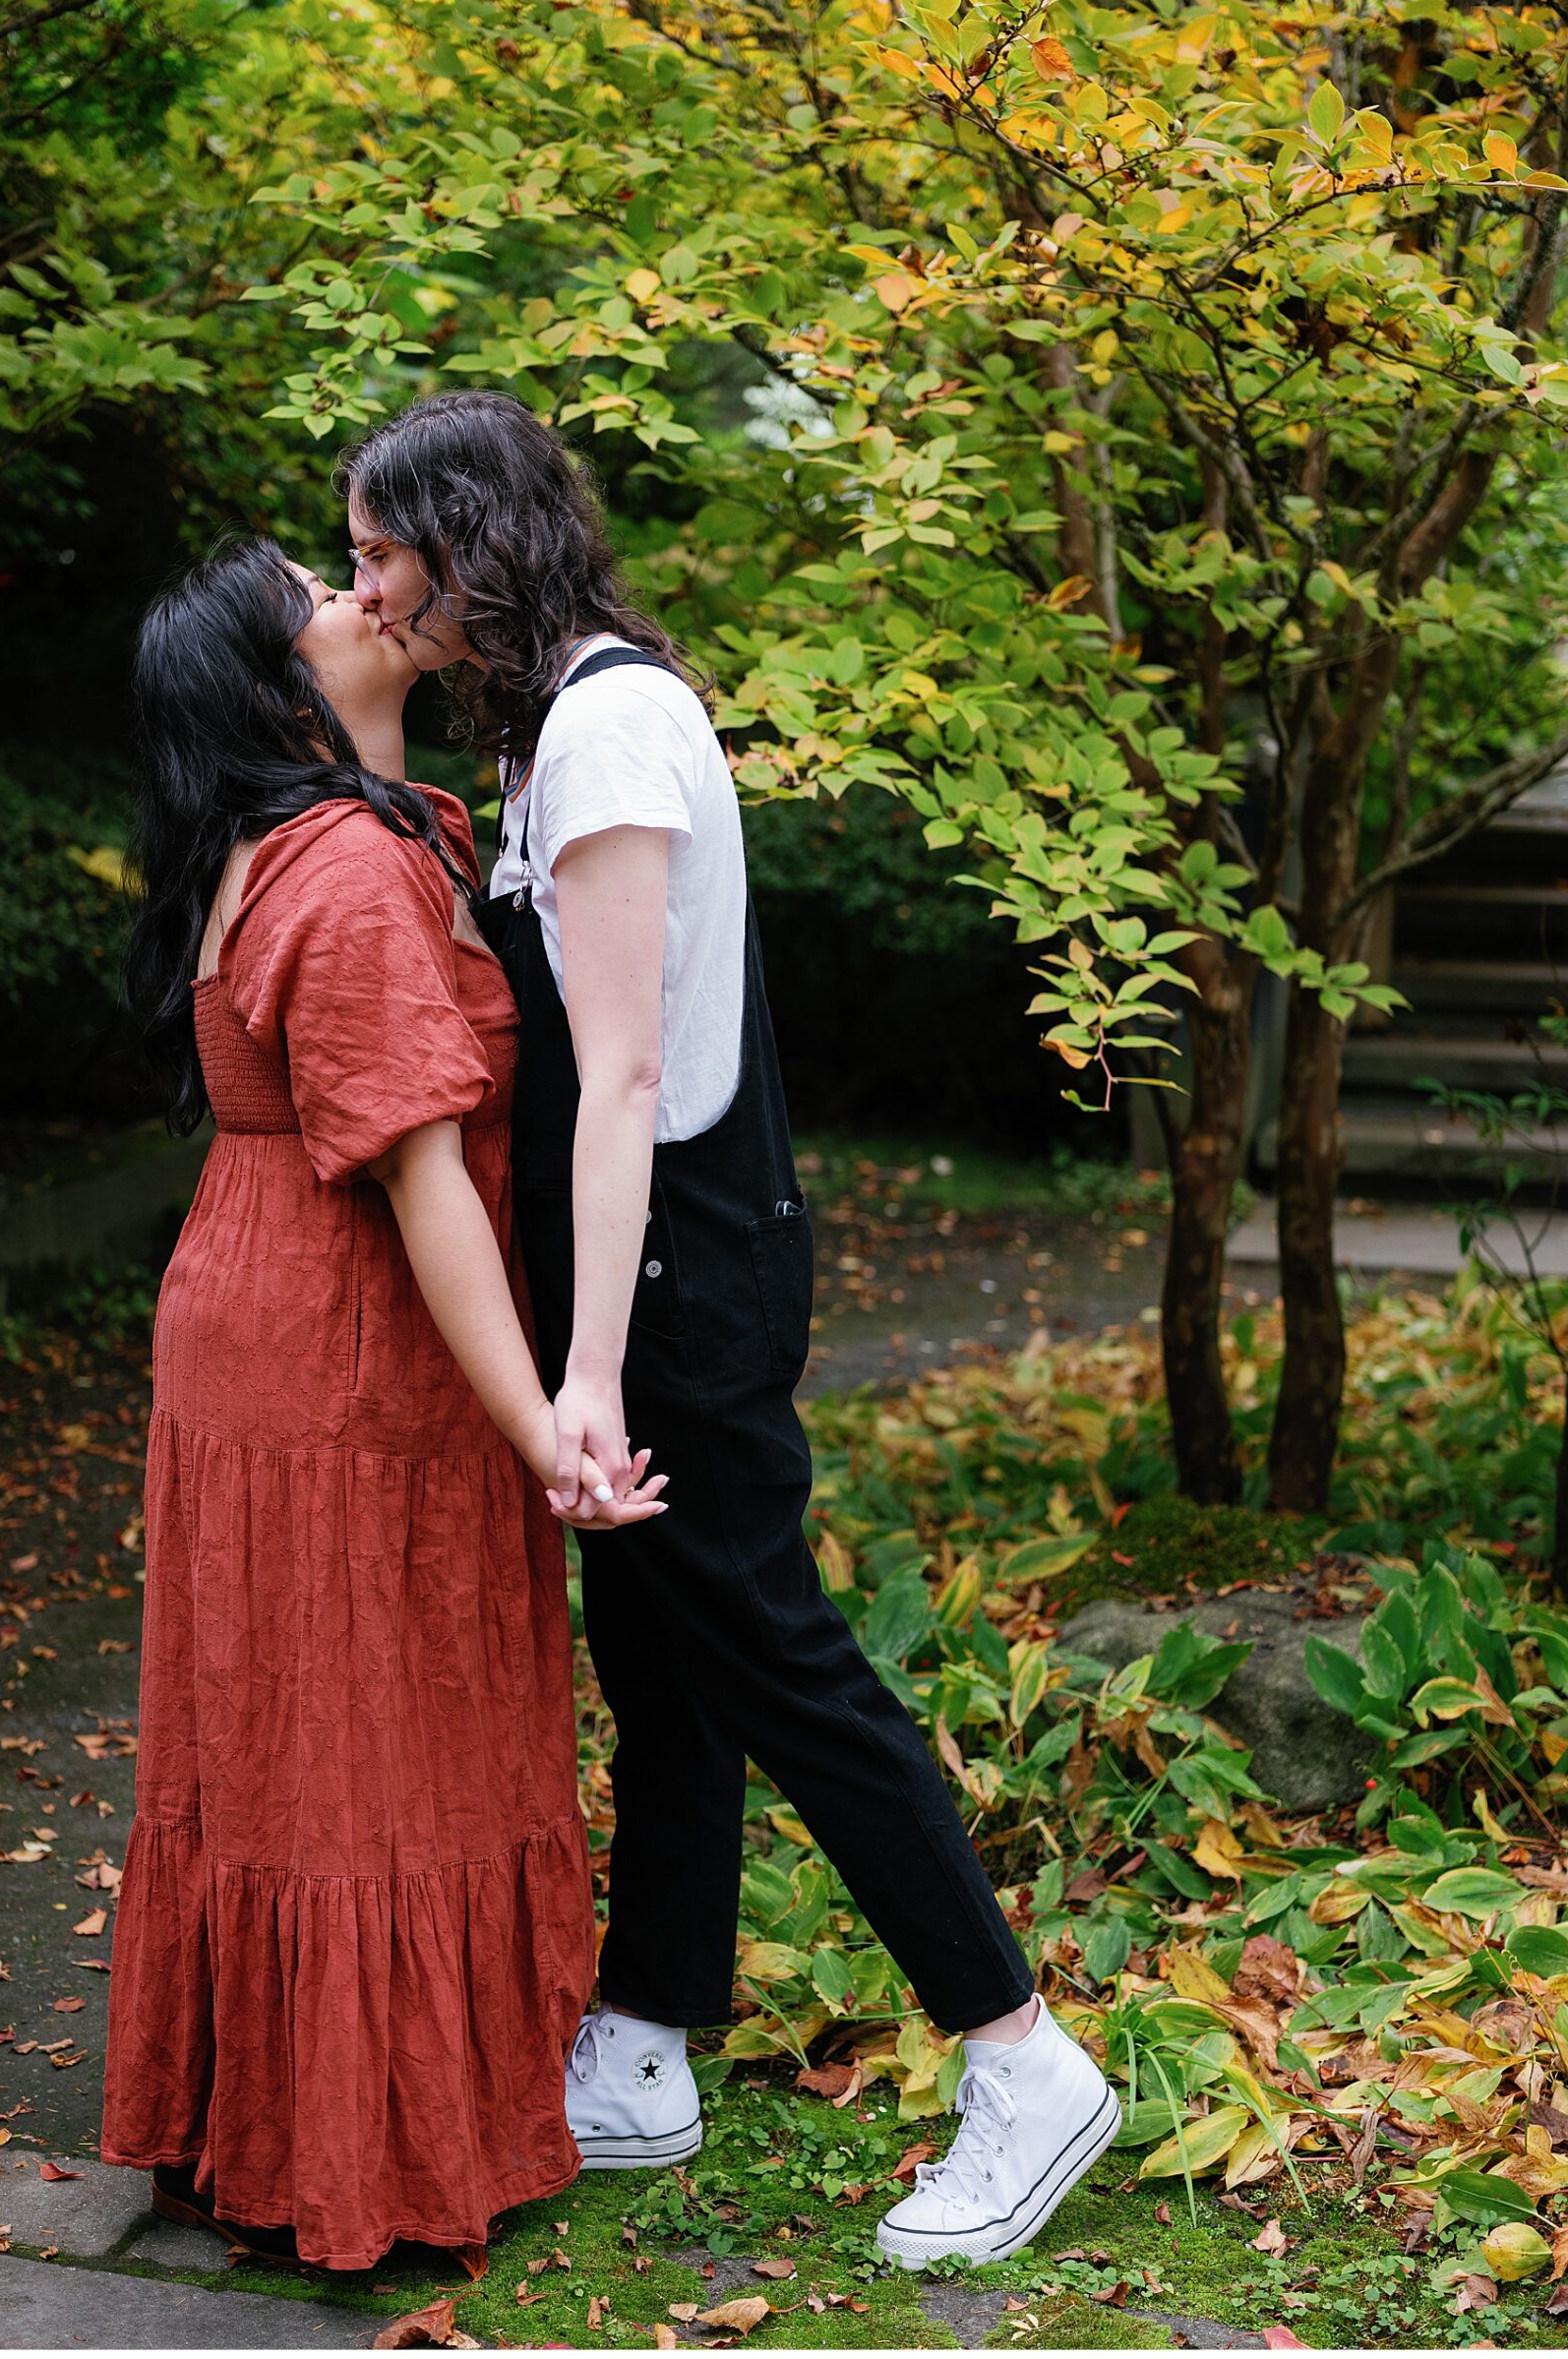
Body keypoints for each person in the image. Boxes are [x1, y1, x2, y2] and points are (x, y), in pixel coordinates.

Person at [337, 392, 1121, 2269]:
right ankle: (647, 2041)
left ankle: (1020, 2059)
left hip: (675, 1269)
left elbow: (618, 1082)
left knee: (770, 1652)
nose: (363, 586)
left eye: (381, 550)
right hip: (658, 1264)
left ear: (470, 544)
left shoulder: (610, 722)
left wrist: (588, 1372)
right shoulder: (559, 727)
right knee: (666, 1651)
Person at [97, 536, 663, 2272]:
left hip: (281, 1314)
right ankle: (354, 2147)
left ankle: (269, 2116)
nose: (365, 599)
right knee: (355, 1745)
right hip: (336, 1345)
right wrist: (545, 1427)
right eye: (322, 598)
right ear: (287, 689)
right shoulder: (342, 870)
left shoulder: (357, 838)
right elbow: (422, 1183)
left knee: (306, 1733)